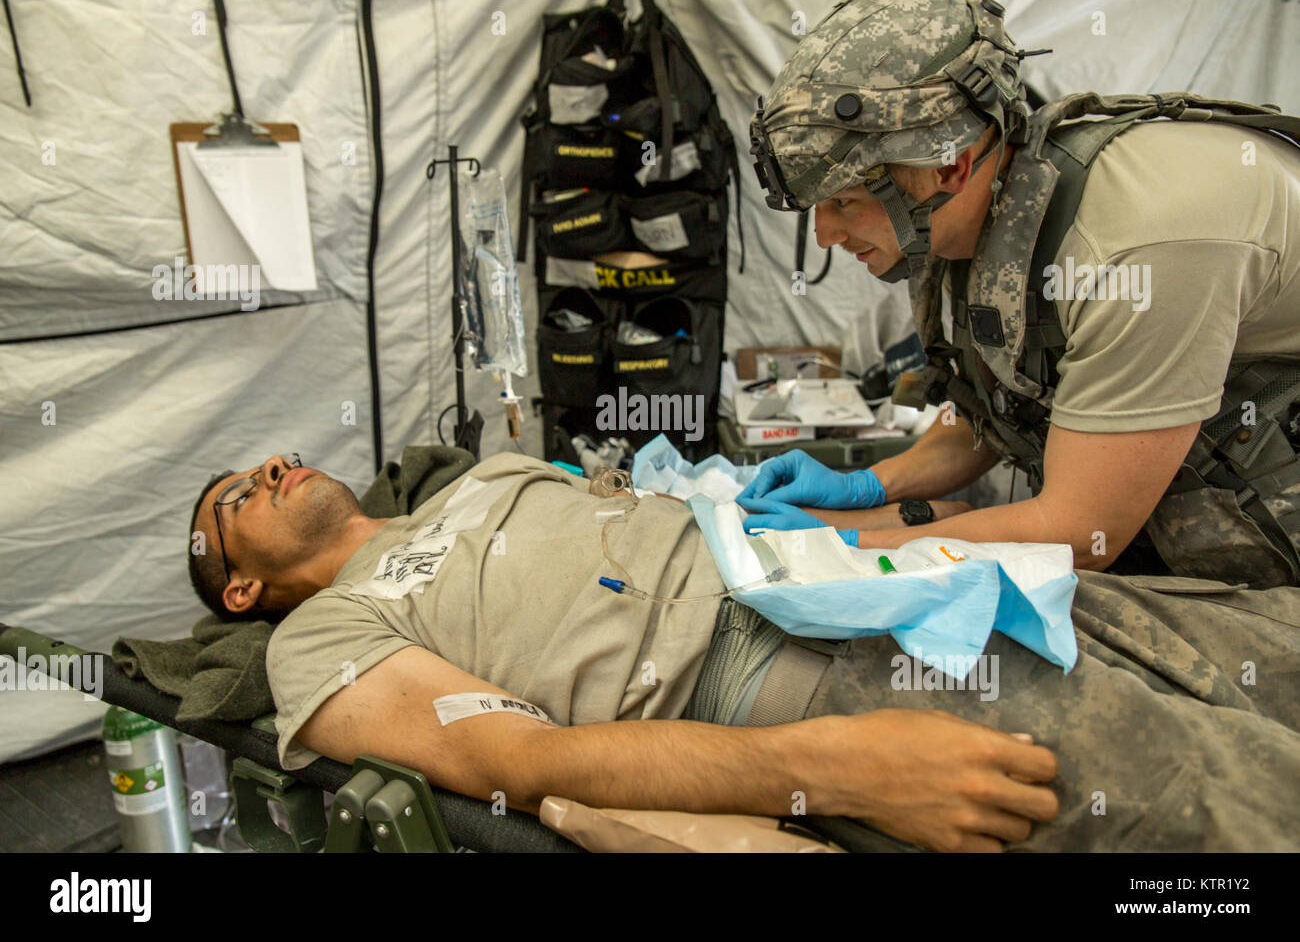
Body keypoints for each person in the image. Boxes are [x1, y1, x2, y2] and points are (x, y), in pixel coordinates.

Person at [186, 451, 1300, 851]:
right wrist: (831, 767)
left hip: (859, 580)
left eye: (274, 458)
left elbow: (663, 498)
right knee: (1219, 790)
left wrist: (857, 509)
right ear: (241, 583)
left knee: (1258, 642)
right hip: (780, 670)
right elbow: (519, 763)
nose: (278, 467)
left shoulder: (477, 477)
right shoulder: (323, 638)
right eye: (244, 491)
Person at [742, 0, 1300, 588]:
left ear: (949, 166)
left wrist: (853, 543)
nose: (824, 235)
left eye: (845, 203)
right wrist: (873, 484)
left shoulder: (1137, 248)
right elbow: (1001, 406)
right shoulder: (983, 209)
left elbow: (1083, 532)